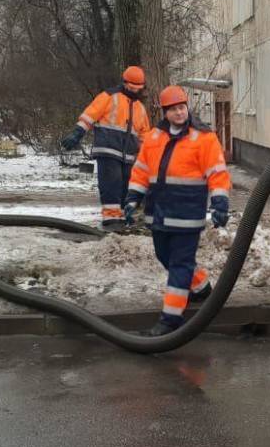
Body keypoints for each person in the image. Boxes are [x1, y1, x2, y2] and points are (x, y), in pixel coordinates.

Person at [124, 85, 231, 337]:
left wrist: (219, 203)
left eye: (182, 108)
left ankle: (170, 320)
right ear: (165, 112)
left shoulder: (204, 138)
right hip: (158, 213)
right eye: (173, 110)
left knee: (180, 264)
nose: (179, 113)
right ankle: (201, 287)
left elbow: (217, 173)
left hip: (187, 215)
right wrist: (132, 199)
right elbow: (141, 170)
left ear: (187, 108)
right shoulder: (153, 138)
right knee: (165, 257)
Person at [60, 66, 152, 231]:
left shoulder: (140, 108)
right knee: (111, 184)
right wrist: (77, 133)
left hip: (129, 156)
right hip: (108, 150)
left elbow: (144, 135)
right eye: (132, 88)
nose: (134, 91)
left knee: (126, 187)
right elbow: (90, 115)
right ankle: (111, 219)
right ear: (125, 83)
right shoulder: (109, 96)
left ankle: (123, 218)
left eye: (138, 89)